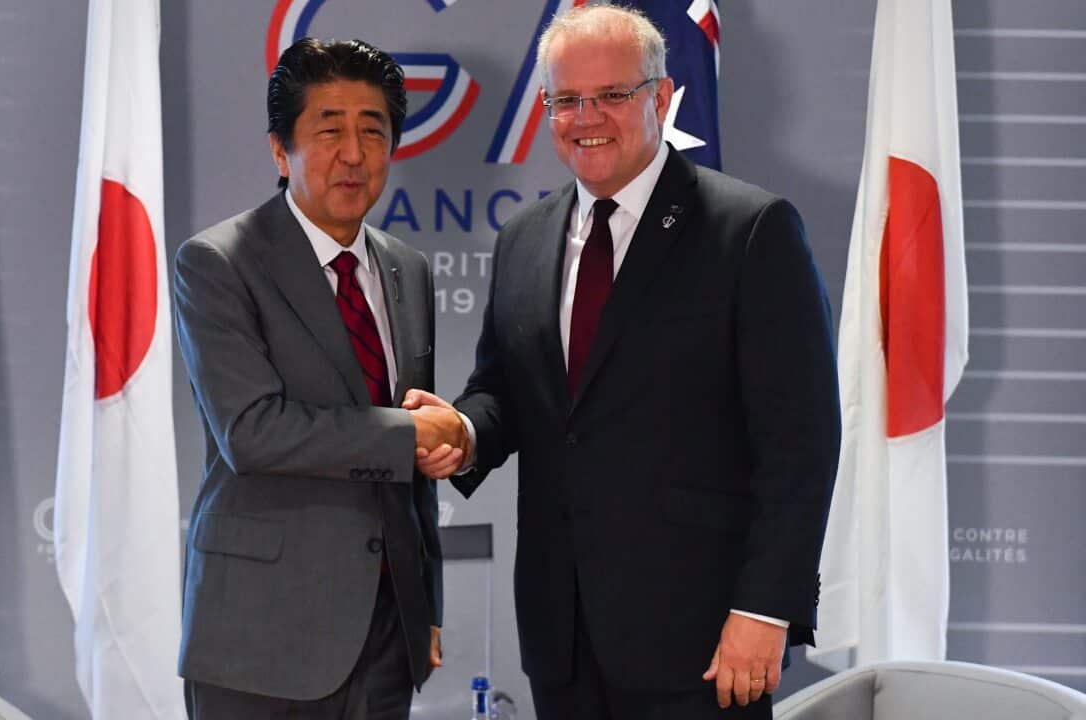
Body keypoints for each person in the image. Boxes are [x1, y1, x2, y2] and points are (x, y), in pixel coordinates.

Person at [404, 5, 840, 718]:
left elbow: (803, 444)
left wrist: (765, 611)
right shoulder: (524, 237)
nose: (588, 117)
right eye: (566, 100)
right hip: (560, 634)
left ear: (661, 99)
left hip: (704, 640)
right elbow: (507, 387)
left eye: (612, 95)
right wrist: (468, 431)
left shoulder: (751, 231)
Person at [173, 37, 468, 720]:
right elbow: (251, 432)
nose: (355, 153)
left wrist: (425, 603)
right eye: (329, 130)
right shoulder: (220, 262)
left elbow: (410, 469)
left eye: (374, 131)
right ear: (281, 150)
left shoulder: (408, 269)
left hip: (389, 635)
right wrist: (410, 434)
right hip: (260, 640)